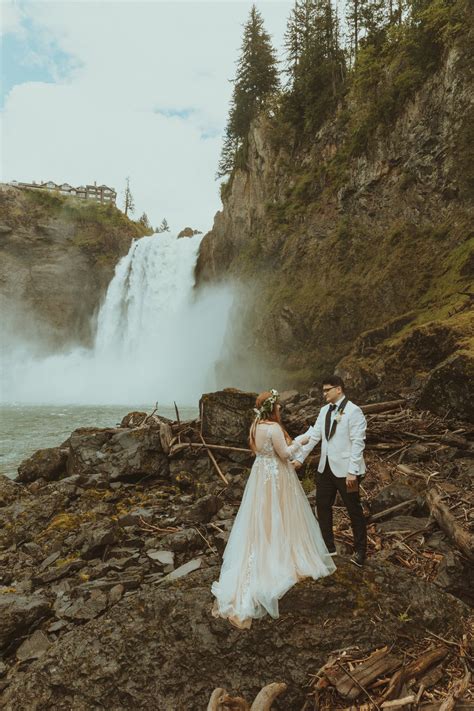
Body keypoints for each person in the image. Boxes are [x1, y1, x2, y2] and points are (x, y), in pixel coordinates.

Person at [211, 389, 336, 629]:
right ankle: (282, 553)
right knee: (282, 513)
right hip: (277, 477)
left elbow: (262, 452)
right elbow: (285, 454)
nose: (281, 409)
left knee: (263, 515)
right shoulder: (274, 428)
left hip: (261, 477)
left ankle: (264, 545)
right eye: (278, 406)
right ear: (273, 408)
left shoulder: (255, 426)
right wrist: (302, 440)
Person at [293, 376, 367, 567]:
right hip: (325, 469)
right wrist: (299, 458)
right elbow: (314, 436)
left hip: (346, 471)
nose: (324, 393)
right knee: (322, 506)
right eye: (323, 390)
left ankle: (360, 551)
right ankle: (328, 547)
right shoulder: (324, 411)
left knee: (354, 510)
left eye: (327, 390)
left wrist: (352, 471)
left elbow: (358, 443)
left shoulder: (354, 411)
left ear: (339, 389)